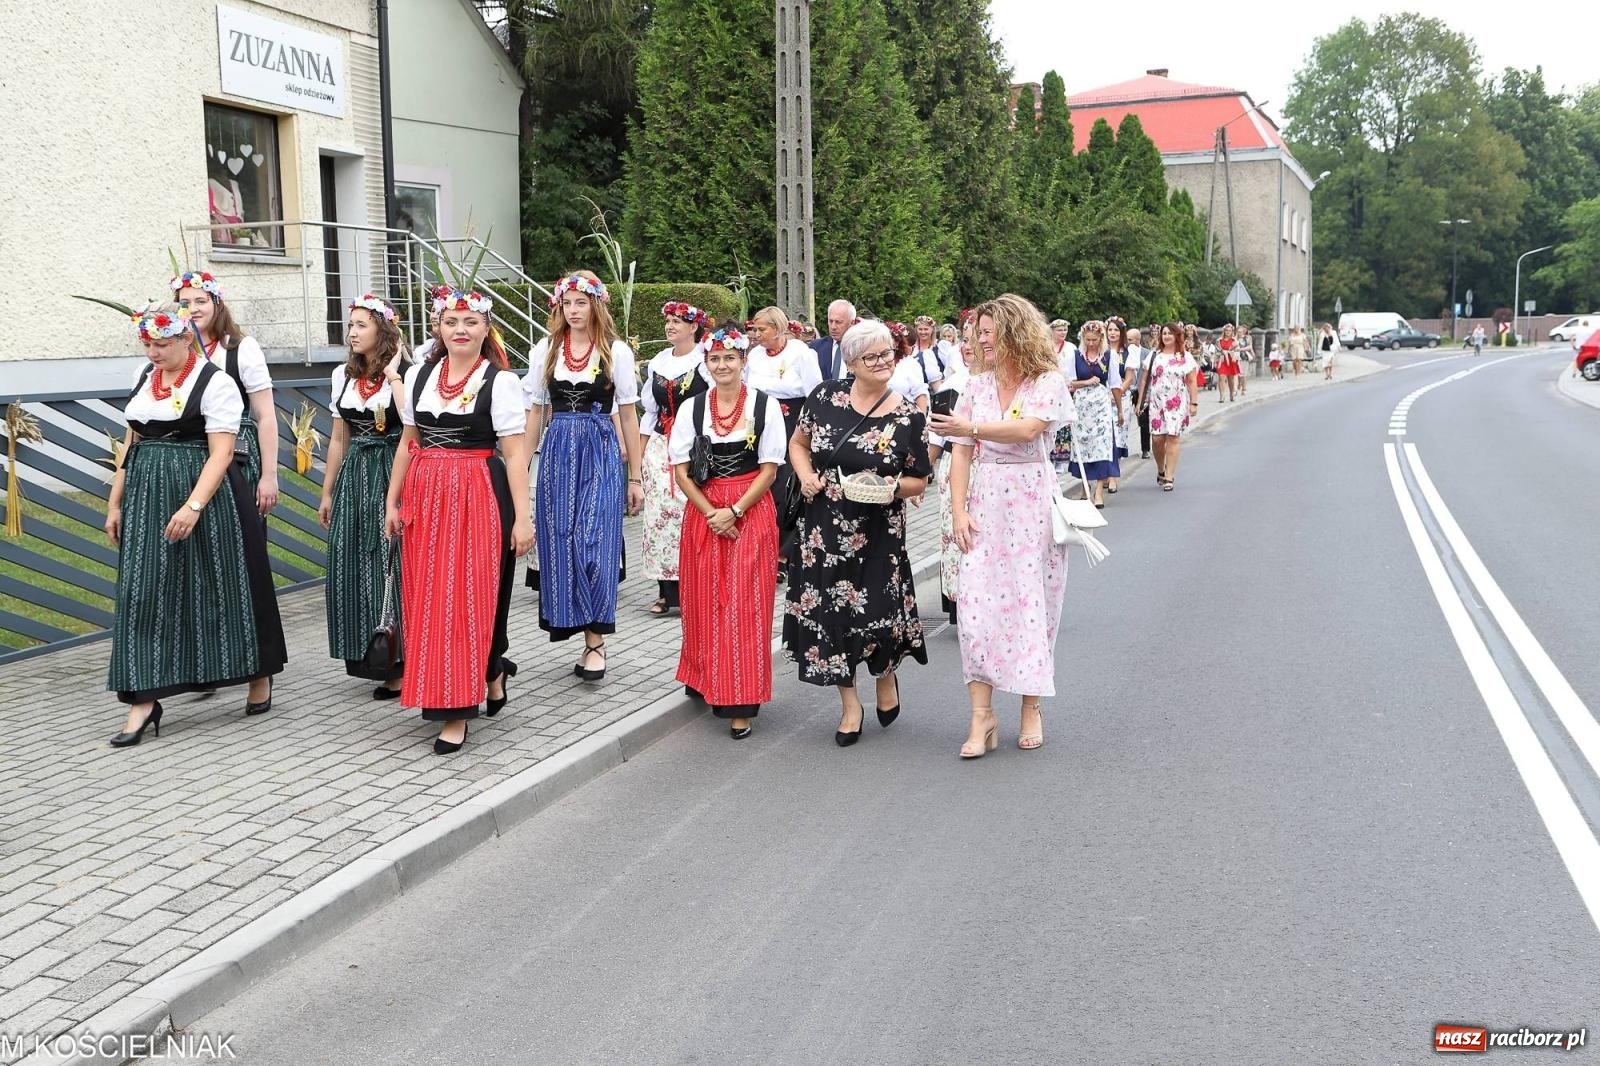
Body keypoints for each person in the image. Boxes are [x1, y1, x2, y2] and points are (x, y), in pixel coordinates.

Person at [104, 303, 287, 746]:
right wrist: (115, 502)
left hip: (203, 493)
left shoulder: (215, 382)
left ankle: (256, 672)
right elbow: (132, 443)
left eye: (162, 344)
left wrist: (193, 506)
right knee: (143, 589)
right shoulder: (143, 379)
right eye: (147, 343)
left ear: (187, 338)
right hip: (147, 494)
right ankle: (144, 699)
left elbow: (222, 453)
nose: (153, 352)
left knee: (223, 585)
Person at [386, 289, 533, 754]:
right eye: (451, 321)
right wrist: (392, 502)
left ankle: (456, 709)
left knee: (469, 596)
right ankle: (486, 671)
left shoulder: (501, 381)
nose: (460, 330)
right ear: (438, 327)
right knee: (430, 596)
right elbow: (409, 442)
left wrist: (523, 518)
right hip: (427, 495)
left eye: (470, 321)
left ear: (486, 328)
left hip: (478, 492)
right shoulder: (420, 375)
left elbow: (514, 454)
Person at [930, 294, 1072, 758]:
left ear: (1013, 332)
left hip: (1030, 501)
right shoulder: (976, 385)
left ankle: (1031, 704)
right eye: (977, 333)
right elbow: (961, 453)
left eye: (988, 332)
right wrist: (957, 510)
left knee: (1032, 604)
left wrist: (970, 429)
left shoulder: (1047, 381)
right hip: (984, 503)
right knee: (974, 612)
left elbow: (1029, 430)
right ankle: (982, 716)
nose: (980, 340)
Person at [783, 320, 932, 747]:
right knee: (830, 616)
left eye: (889, 353)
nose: (885, 362)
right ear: (851, 362)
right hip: (823, 532)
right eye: (873, 356)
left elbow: (920, 480)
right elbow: (799, 443)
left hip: (879, 532)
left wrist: (887, 488)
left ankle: (885, 675)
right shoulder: (825, 397)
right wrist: (807, 474)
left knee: (877, 613)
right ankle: (850, 704)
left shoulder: (907, 415)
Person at [523, 271, 644, 680]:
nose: (573, 311)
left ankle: (596, 641)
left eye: (581, 302)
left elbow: (628, 413)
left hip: (599, 451)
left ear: (596, 304)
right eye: (567, 303)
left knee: (594, 542)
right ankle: (579, 630)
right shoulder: (547, 349)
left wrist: (636, 477)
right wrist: (519, 471)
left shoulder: (615, 351)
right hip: (557, 451)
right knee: (560, 542)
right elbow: (536, 412)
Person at [670, 328, 786, 739]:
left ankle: (740, 698)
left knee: (744, 601)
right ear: (706, 364)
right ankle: (704, 676)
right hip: (705, 508)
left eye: (730, 358)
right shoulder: (692, 408)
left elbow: (770, 468)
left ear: (743, 362)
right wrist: (711, 512)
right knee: (702, 597)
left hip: (750, 509)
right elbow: (681, 470)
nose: (722, 366)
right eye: (715, 359)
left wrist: (735, 510)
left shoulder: (764, 406)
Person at [319, 295, 409, 696]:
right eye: (350, 325)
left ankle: (400, 658)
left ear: (383, 331)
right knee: (353, 559)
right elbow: (339, 437)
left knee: (390, 560)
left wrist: (393, 375)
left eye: (361, 325)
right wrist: (327, 491)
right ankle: (366, 652)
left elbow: (413, 427)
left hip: (392, 467)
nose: (352, 332)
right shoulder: (344, 375)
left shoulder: (408, 371)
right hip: (356, 472)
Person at [171, 271, 279, 518]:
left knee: (239, 535)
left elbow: (265, 416)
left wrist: (269, 476)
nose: (194, 309)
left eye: (202, 301)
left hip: (236, 457)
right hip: (188, 458)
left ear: (217, 303)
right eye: (185, 303)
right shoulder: (176, 350)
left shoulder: (240, 348)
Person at [638, 301, 712, 617]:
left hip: (695, 447)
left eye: (677, 322)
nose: (670, 326)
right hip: (660, 445)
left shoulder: (706, 361)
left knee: (689, 514)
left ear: (693, 327)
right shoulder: (658, 361)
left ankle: (695, 589)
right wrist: (638, 457)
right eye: (667, 321)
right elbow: (649, 412)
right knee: (659, 517)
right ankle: (666, 593)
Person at [746, 305, 823, 568]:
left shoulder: (800, 352)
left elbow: (815, 392)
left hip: (792, 420)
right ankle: (762, 545)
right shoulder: (755, 355)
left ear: (778, 329)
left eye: (761, 329)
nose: (756, 334)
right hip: (760, 421)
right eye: (754, 329)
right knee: (763, 482)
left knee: (786, 485)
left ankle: (784, 551)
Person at [1136, 322, 1201, 492]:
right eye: (1164, 333)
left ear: (1176, 335)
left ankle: (1170, 476)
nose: (1166, 336)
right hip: (1156, 403)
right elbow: (1144, 379)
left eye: (1170, 333)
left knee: (1173, 437)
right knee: (1157, 440)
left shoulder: (1185, 356)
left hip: (1177, 402)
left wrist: (1194, 403)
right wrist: (1140, 401)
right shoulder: (1154, 355)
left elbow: (1192, 380)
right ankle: (1160, 469)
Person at [1064, 319, 1120, 508]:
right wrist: (1087, 382)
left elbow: (1115, 384)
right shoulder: (1075, 355)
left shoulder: (1109, 356)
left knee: (1102, 445)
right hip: (1081, 405)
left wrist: (1119, 410)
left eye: (1094, 340)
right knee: (1083, 445)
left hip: (1101, 406)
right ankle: (1084, 485)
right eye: (1087, 340)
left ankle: (1098, 491)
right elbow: (1069, 382)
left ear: (1100, 339)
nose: (1091, 343)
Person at [1119, 327, 1151, 461]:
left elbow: (1148, 375)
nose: (1128, 342)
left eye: (1131, 340)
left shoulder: (1147, 353)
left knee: (1143, 420)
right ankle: (1121, 448)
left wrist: (1146, 395)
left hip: (1140, 390)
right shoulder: (1122, 353)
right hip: (1125, 389)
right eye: (1127, 339)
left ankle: (1145, 449)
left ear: (1138, 340)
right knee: (1123, 419)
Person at [809, 299, 856, 380]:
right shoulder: (816, 347)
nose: (833, 327)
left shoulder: (861, 348)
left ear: (852, 323)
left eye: (838, 322)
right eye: (830, 321)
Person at [1215, 323, 1241, 402]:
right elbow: (1216, 351)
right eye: (1226, 330)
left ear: (1232, 332)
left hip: (1231, 360)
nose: (1228, 332)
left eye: (1230, 331)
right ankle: (1222, 395)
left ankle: (1231, 394)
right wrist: (1219, 355)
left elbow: (1237, 351)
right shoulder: (1219, 341)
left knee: (1231, 379)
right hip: (1222, 360)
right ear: (1224, 331)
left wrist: (1235, 356)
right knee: (1221, 378)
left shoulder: (1234, 341)